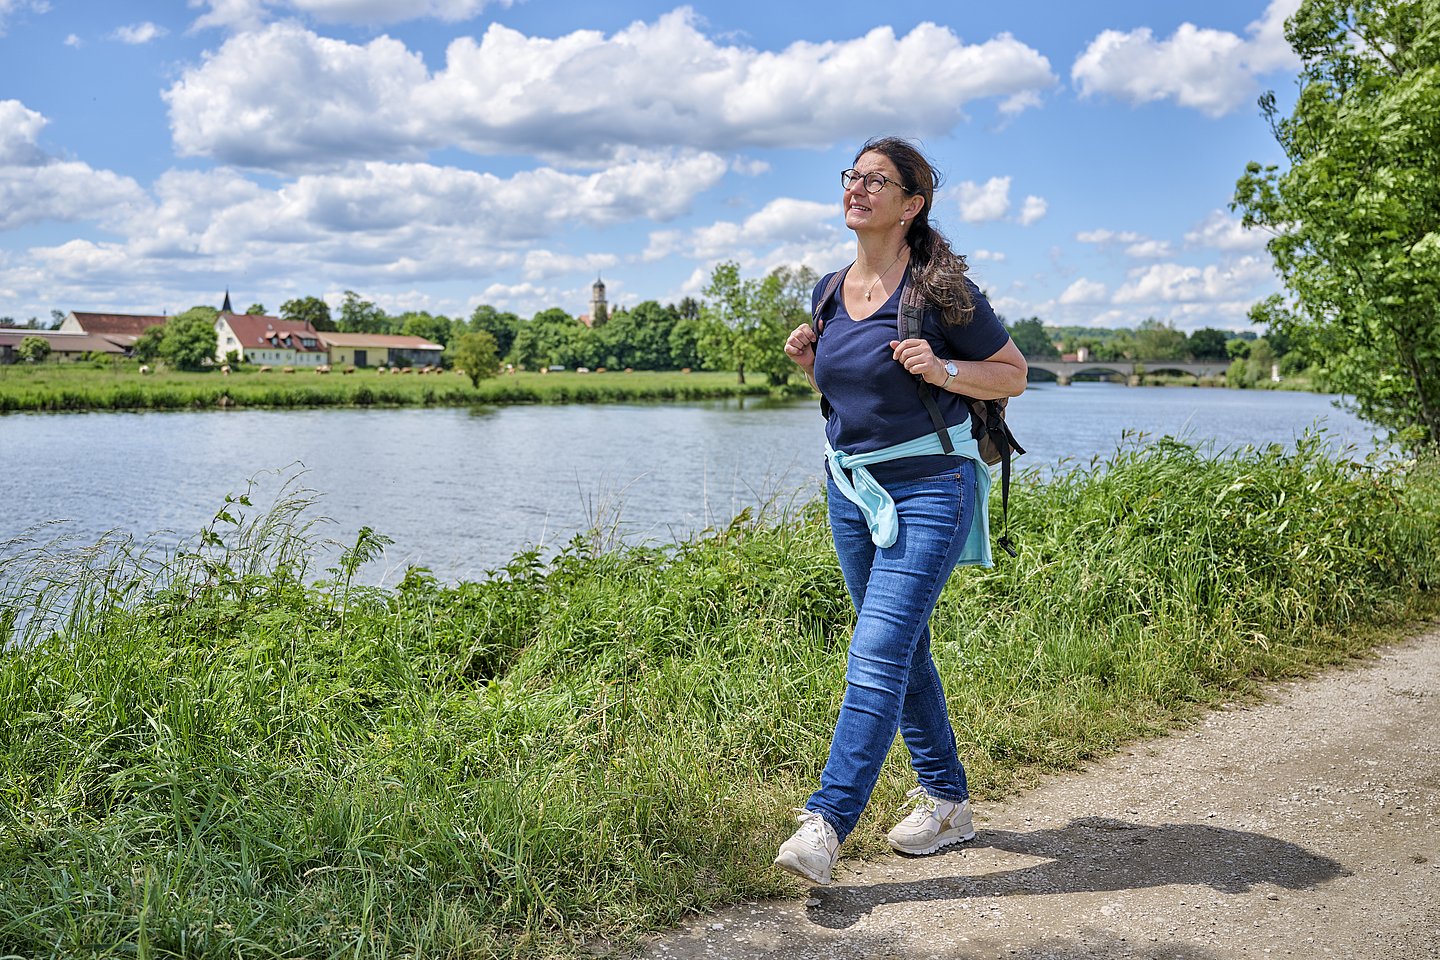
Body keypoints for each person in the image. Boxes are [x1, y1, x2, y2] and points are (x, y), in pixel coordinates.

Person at [774, 137, 1028, 885]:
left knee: (876, 652)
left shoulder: (943, 292)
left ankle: (826, 823)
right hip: (851, 491)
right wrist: (807, 362)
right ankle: (949, 802)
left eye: (875, 179)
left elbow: (1011, 375)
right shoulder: (828, 289)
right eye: (852, 175)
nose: (857, 187)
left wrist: (944, 366)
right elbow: (856, 397)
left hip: (931, 487)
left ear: (911, 204)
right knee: (902, 648)